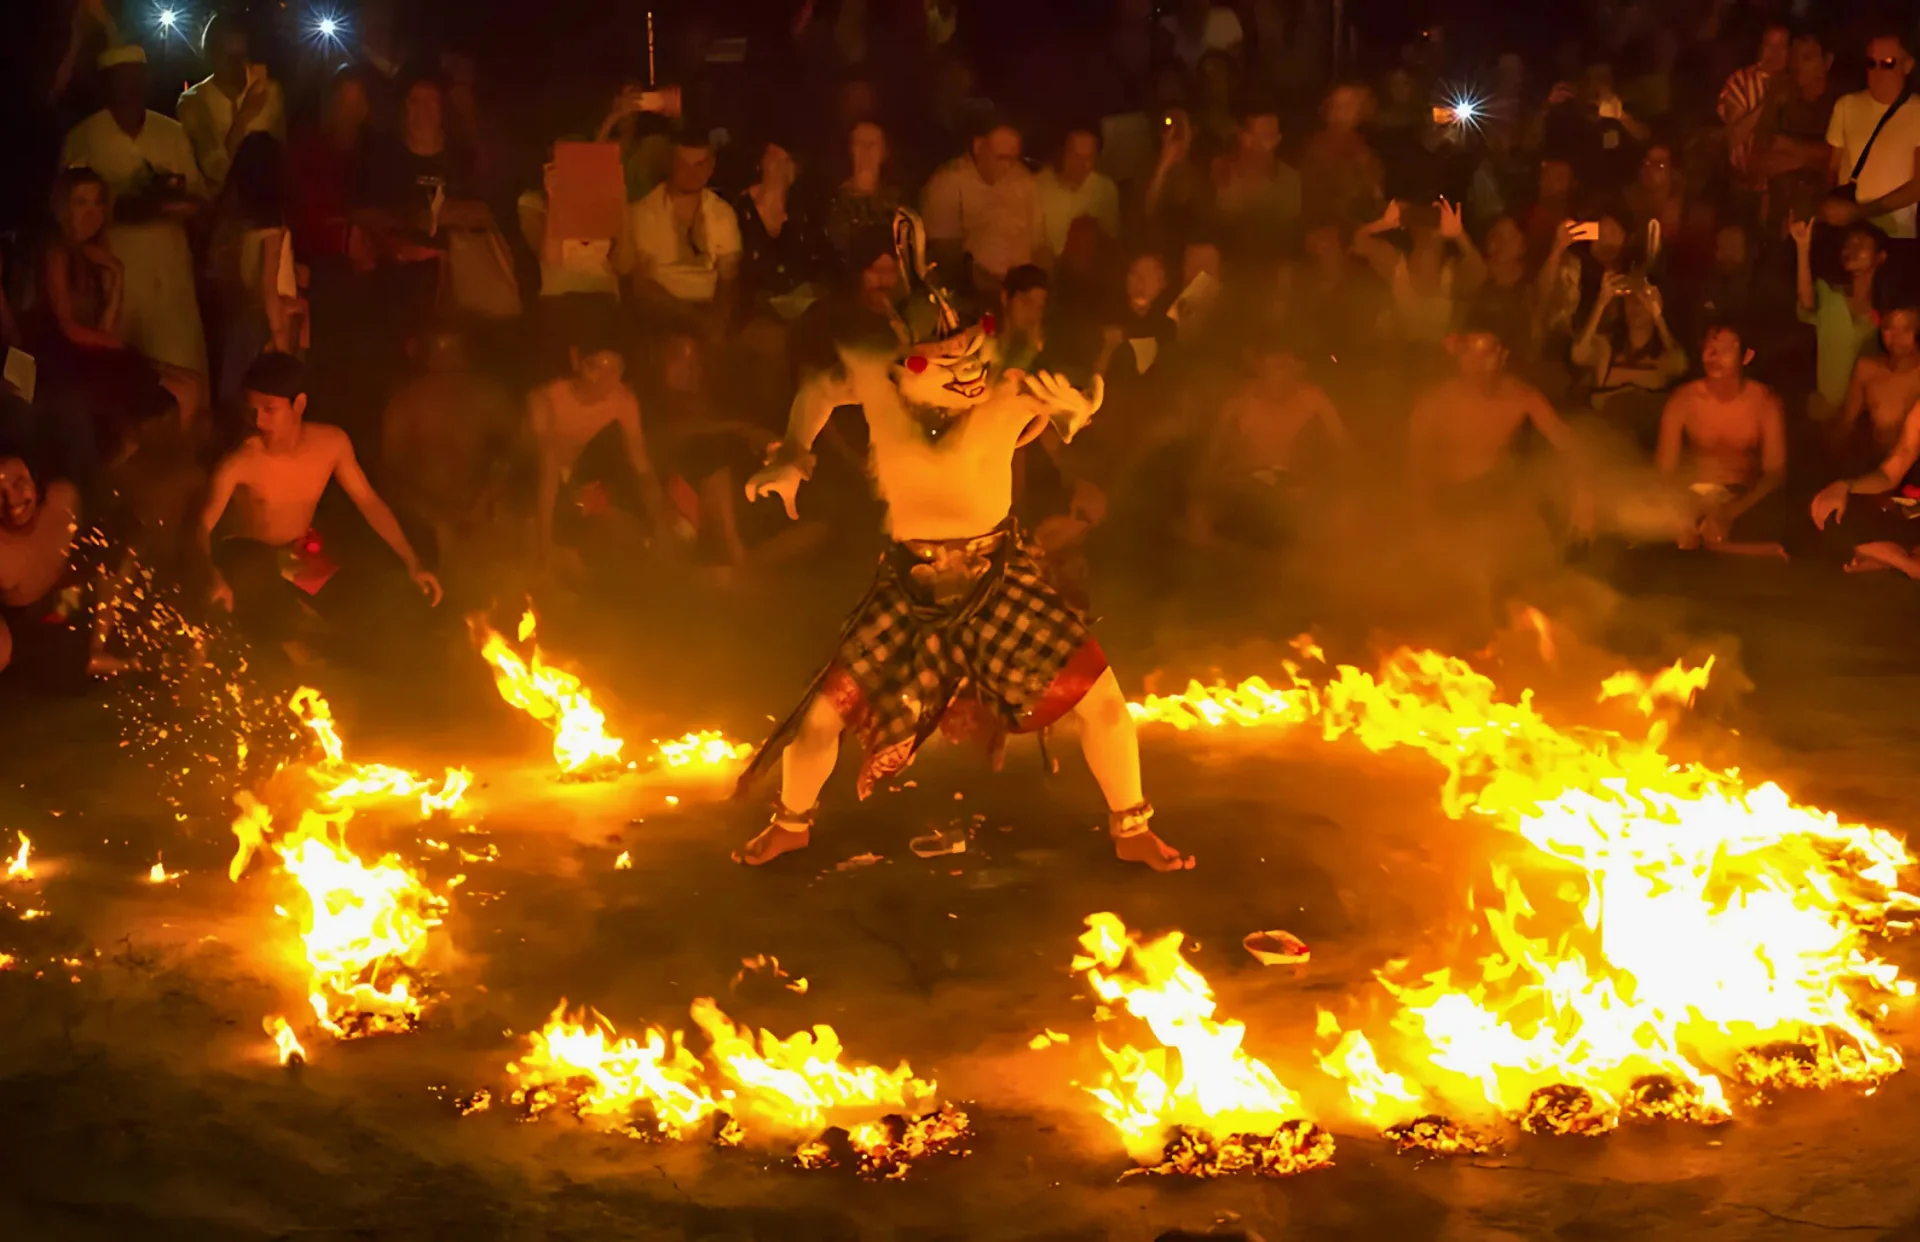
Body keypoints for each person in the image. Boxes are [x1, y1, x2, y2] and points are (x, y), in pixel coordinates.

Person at [734, 212, 1191, 873]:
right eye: (946, 361)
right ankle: (791, 824)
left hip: (996, 579)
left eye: (972, 352)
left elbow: (1080, 389)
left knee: (1102, 704)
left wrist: (1080, 407)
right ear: (906, 360)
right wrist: (794, 453)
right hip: (909, 584)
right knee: (820, 718)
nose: (966, 371)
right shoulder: (878, 383)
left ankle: (1132, 827)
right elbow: (814, 391)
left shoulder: (1007, 385)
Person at [198, 352, 441, 657]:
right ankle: (279, 641)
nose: (259, 420)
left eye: (269, 409)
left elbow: (369, 502)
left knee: (367, 609)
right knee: (270, 601)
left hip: (297, 554)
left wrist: (413, 562)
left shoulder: (331, 443)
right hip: (246, 559)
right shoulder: (240, 462)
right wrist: (211, 574)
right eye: (253, 409)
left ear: (298, 404)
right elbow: (201, 525)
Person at [59, 44, 209, 379]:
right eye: (122, 81)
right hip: (112, 279)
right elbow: (68, 214)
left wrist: (168, 203)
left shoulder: (171, 132)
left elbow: (198, 199)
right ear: (106, 85)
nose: (131, 90)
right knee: (118, 378)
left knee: (181, 376)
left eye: (137, 79)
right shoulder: (84, 137)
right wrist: (133, 207)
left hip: (170, 280)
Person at [37, 167, 203, 463]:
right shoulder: (58, 254)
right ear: (64, 208)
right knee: (184, 390)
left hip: (94, 351)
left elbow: (106, 327)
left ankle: (169, 463)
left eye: (97, 202)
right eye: (81, 202)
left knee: (192, 383)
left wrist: (117, 275)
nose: (92, 212)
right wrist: (121, 349)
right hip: (66, 357)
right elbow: (68, 328)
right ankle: (165, 465)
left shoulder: (94, 253)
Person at [530, 310, 674, 574]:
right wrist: (544, 549)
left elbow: (641, 466)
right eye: (597, 368)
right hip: (530, 477)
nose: (604, 382)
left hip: (575, 478)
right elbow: (546, 472)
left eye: (614, 371)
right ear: (577, 360)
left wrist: (661, 528)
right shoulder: (546, 400)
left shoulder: (622, 400)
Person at [1408, 316, 1586, 520]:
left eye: (1485, 352)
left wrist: (1583, 496)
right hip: (1449, 499)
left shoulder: (1521, 397)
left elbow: (1566, 441)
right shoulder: (1435, 401)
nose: (1476, 361)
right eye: (1468, 351)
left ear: (1503, 355)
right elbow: (1416, 465)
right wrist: (1424, 516)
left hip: (1496, 493)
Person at [380, 326, 521, 564]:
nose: (447, 359)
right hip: (424, 515)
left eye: (454, 350)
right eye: (439, 351)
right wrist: (430, 516)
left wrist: (489, 497)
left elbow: (514, 451)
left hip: (482, 507)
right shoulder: (405, 402)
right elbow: (389, 472)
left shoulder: (490, 396)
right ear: (426, 357)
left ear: (466, 353)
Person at [1188, 338, 1347, 548]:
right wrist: (1200, 506)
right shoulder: (1240, 402)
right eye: (1272, 367)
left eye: (1284, 367)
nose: (1279, 376)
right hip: (1245, 492)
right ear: (1259, 367)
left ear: (1298, 369)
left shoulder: (1313, 399)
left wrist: (1340, 498)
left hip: (1293, 494)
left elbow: (1343, 449)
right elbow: (1211, 457)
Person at [1655, 323, 1790, 558]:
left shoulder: (1765, 402)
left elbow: (1775, 474)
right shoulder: (1684, 400)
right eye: (1708, 347)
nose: (1713, 356)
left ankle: (1728, 546)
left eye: (1724, 349)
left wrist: (1729, 512)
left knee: (1779, 518)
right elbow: (1664, 472)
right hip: (1692, 495)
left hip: (1741, 499)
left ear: (1746, 356)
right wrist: (1688, 511)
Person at [208, 134, 305, 408]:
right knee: (269, 401)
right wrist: (280, 338)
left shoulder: (233, 225)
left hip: (240, 319)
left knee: (239, 395)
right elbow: (268, 285)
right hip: (266, 322)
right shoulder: (271, 226)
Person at [627, 136, 743, 326]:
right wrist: (690, 317)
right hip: (661, 312)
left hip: (707, 310)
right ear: (670, 164)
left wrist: (718, 318)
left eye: (699, 164)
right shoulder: (644, 212)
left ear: (711, 166)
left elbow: (728, 278)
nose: (692, 173)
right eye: (684, 165)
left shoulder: (722, 213)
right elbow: (642, 285)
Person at [921, 120, 1044, 290]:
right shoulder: (948, 183)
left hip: (1023, 291)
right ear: (978, 146)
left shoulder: (1023, 180)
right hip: (973, 291)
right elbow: (944, 255)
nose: (1008, 166)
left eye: (1013, 159)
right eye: (1001, 158)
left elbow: (1039, 245)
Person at [175, 11, 286, 196]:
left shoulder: (270, 91)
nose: (237, 66)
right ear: (210, 56)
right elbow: (216, 171)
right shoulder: (193, 102)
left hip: (266, 204)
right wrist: (244, 117)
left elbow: (281, 157)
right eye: (229, 57)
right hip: (220, 210)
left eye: (241, 56)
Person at [1824, 32, 1920, 239]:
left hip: (1894, 229)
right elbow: (1833, 167)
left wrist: (1862, 212)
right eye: (1871, 63)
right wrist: (1830, 208)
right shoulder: (1846, 106)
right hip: (1848, 226)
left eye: (1887, 63)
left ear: (1908, 65)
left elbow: (1917, 186)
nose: (1878, 71)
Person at [1810, 397, 1920, 576]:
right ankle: (1904, 562)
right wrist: (1845, 487)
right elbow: (1889, 474)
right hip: (1913, 510)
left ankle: (1888, 558)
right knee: (1833, 513)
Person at [1792, 214, 1886, 422]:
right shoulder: (1830, 296)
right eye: (1848, 245)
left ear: (1880, 257)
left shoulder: (1887, 308)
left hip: (1867, 417)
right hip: (1826, 411)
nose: (1851, 249)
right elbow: (1806, 304)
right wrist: (1802, 247)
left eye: (1861, 243)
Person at [1572, 274, 1687, 433]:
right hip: (1605, 443)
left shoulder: (1663, 357)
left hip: (1645, 449)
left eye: (1642, 300)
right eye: (1630, 299)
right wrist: (1601, 303)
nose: (1635, 305)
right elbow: (1579, 355)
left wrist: (1658, 317)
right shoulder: (1607, 348)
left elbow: (1679, 365)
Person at [1753, 32, 1839, 235]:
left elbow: (1844, 158)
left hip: (1823, 214)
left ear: (1827, 62)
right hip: (1781, 209)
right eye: (1795, 57)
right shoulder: (1782, 97)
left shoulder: (1841, 103)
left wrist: (1799, 154)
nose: (1797, 65)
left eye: (1807, 58)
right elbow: (1762, 153)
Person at [1834, 307, 1920, 464]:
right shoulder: (1867, 370)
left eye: (1906, 328)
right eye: (1889, 327)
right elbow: (1846, 423)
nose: (1896, 337)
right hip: (1878, 464)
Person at [822, 121, 902, 275]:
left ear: (884, 152)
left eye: (872, 144)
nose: (866, 150)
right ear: (851, 150)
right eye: (859, 143)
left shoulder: (897, 202)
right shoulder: (832, 201)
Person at [1717, 22, 1790, 174]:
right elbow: (1734, 137)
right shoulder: (1740, 81)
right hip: (1745, 180)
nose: (1774, 53)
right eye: (1769, 45)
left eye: (1781, 47)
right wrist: (1768, 100)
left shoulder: (1796, 82)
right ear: (1760, 48)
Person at [1035, 128, 1121, 259]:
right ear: (1063, 154)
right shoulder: (1038, 186)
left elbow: (1111, 238)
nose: (1082, 165)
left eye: (1088, 158)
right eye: (1076, 156)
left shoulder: (1105, 189)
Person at [996, 264, 1049, 373]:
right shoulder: (984, 338)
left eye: (1039, 307)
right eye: (1027, 302)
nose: (1033, 313)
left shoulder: (1038, 347)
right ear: (1005, 298)